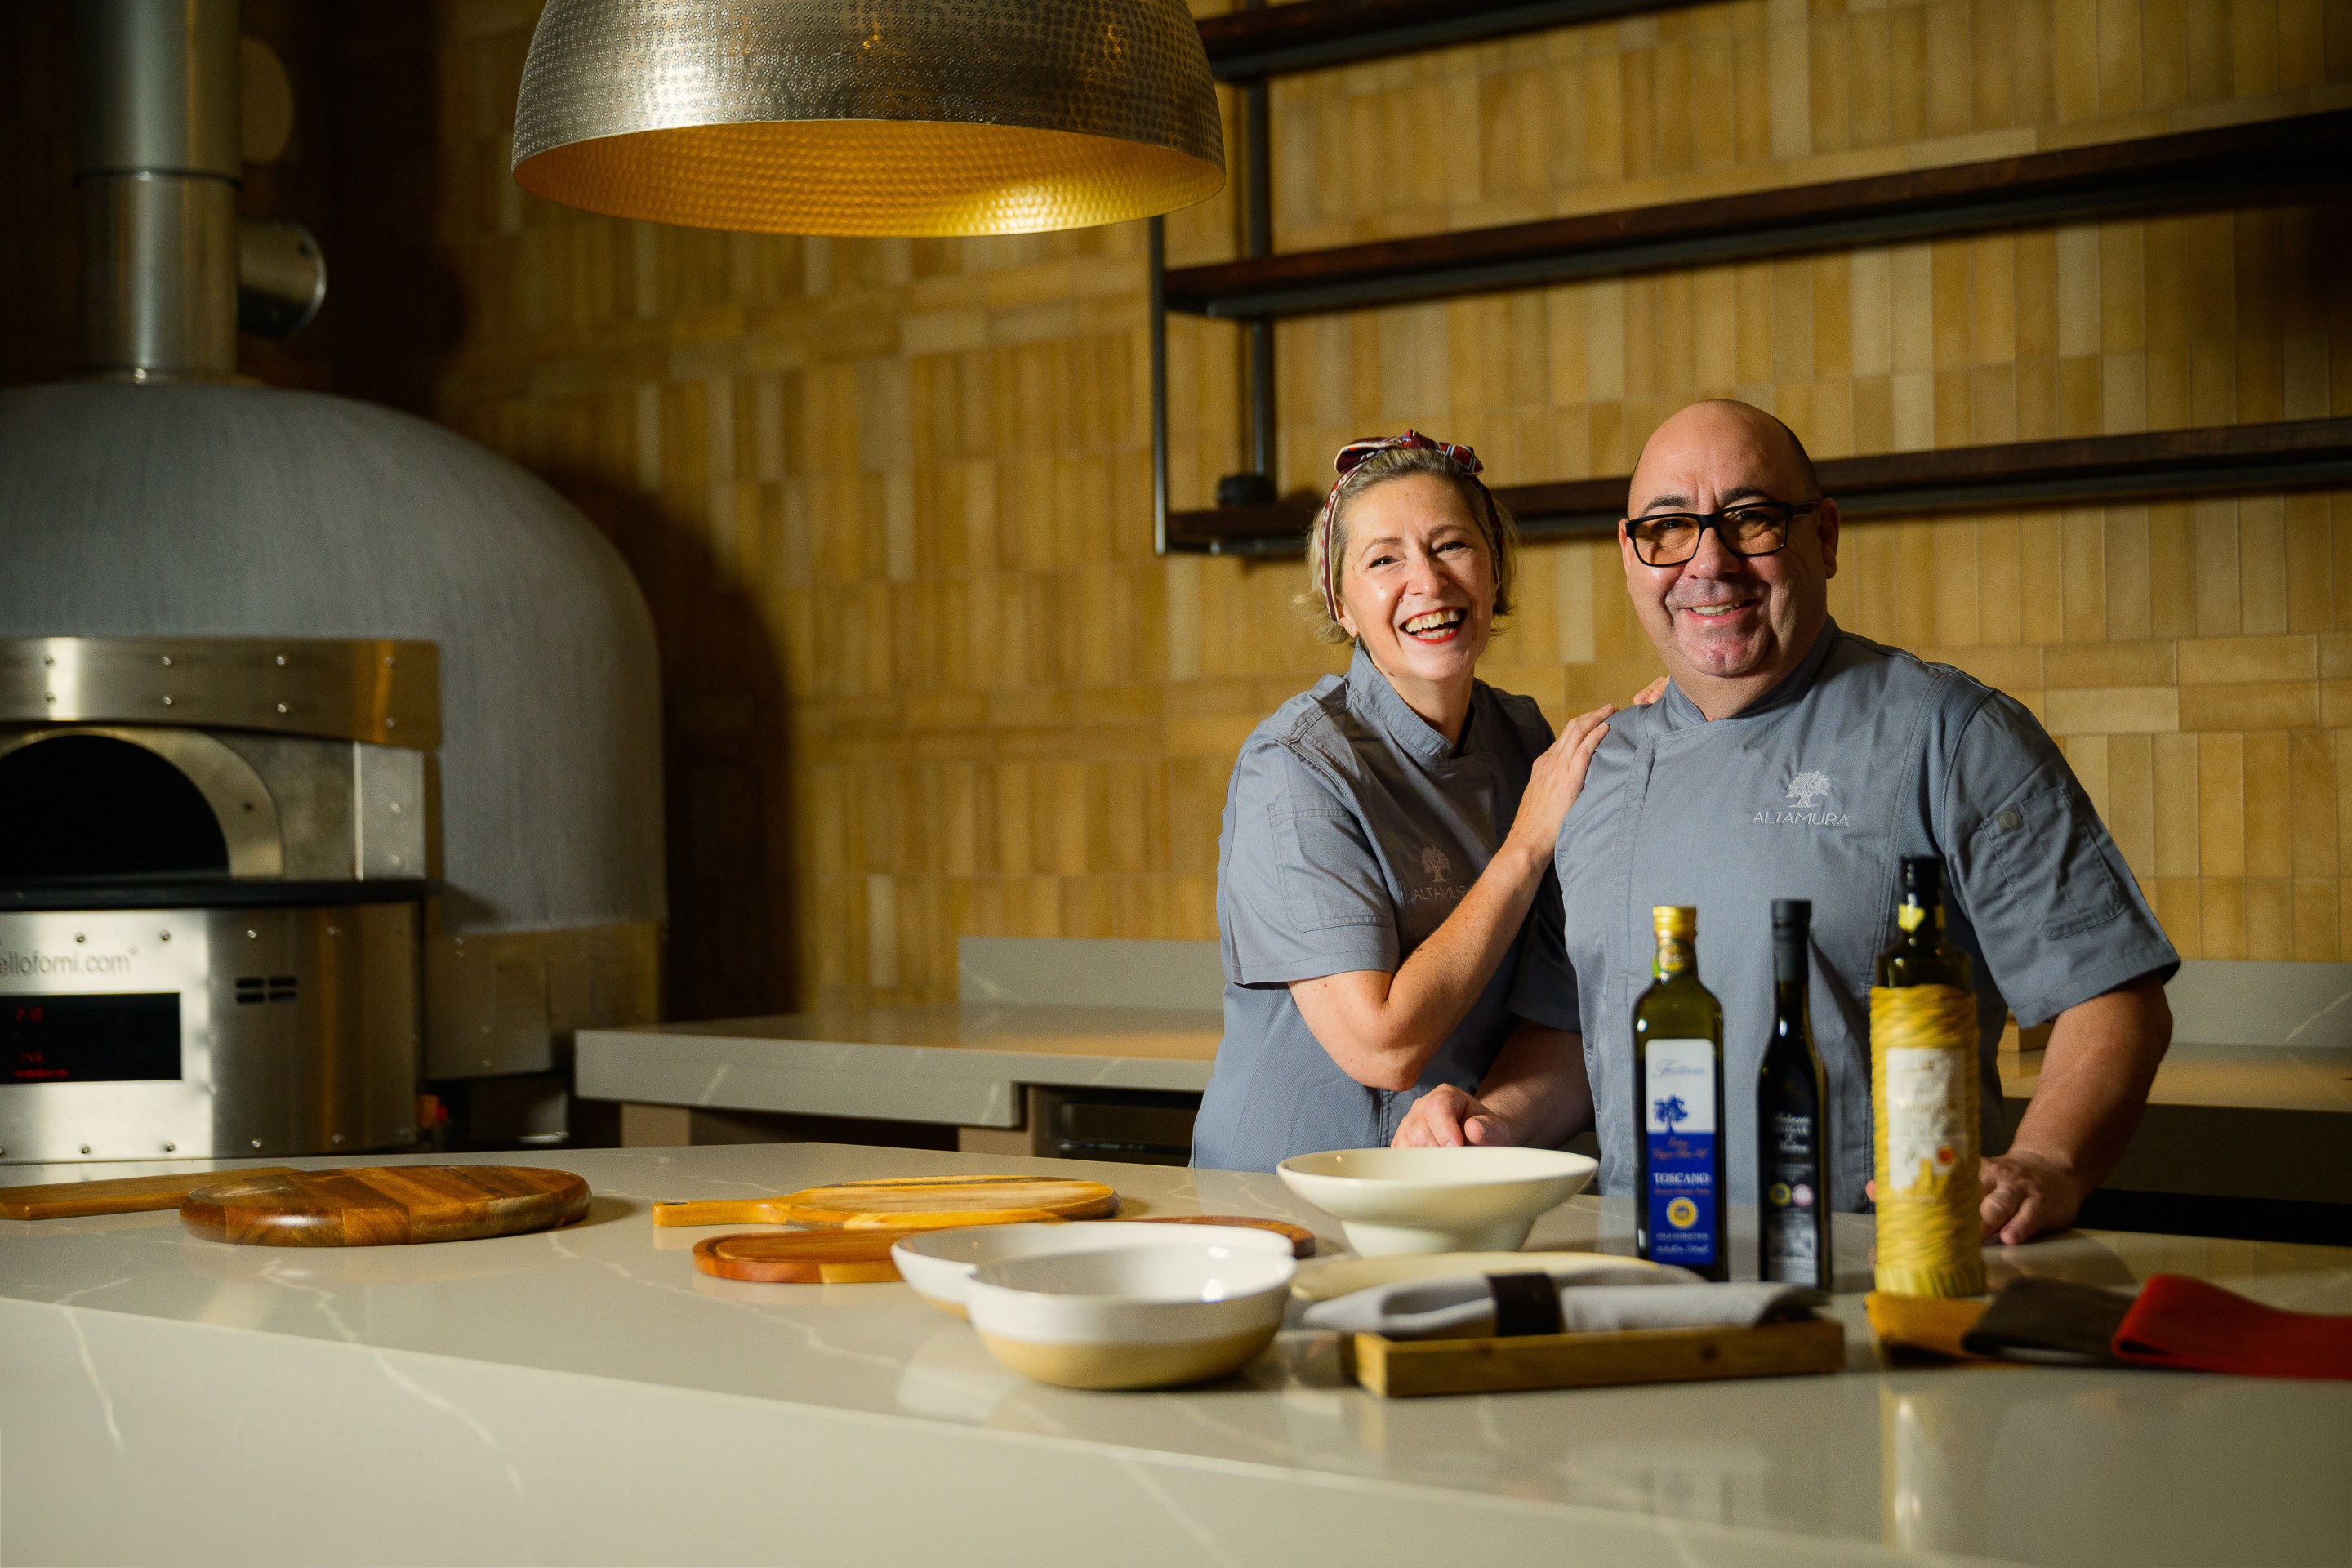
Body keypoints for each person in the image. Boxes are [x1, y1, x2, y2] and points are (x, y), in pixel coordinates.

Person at [1399, 399, 2177, 1245]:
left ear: (1827, 536)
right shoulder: (1595, 771)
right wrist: (1493, 1124)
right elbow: (1576, 1024)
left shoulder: (1952, 736)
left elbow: (2111, 995)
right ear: (1630, 557)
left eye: (1752, 520)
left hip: (1883, 1264)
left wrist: (2047, 1164)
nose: (1710, 561)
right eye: (1669, 530)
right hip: (1653, 1262)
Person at [1189, 431, 1657, 1172]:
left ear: (1495, 569)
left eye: (1451, 546)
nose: (1429, 583)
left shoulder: (1522, 739)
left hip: (1445, 1183)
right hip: (1282, 1197)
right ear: (1342, 604)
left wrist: (1666, 740)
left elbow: (1562, 1014)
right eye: (1385, 560)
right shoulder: (1296, 766)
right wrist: (1528, 842)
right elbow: (1384, 1045)